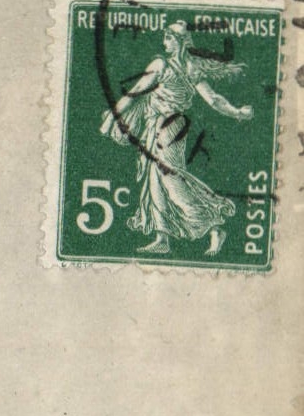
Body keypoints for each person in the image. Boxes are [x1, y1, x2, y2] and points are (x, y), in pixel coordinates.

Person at [100, 21, 253, 257]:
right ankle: (162, 238)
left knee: (169, 178)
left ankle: (212, 226)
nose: (164, 42)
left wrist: (237, 113)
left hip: (169, 126)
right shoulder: (173, 65)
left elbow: (213, 99)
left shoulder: (177, 66)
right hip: (158, 124)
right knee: (155, 179)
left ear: (181, 42)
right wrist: (113, 114)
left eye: (169, 38)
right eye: (165, 37)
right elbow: (135, 92)